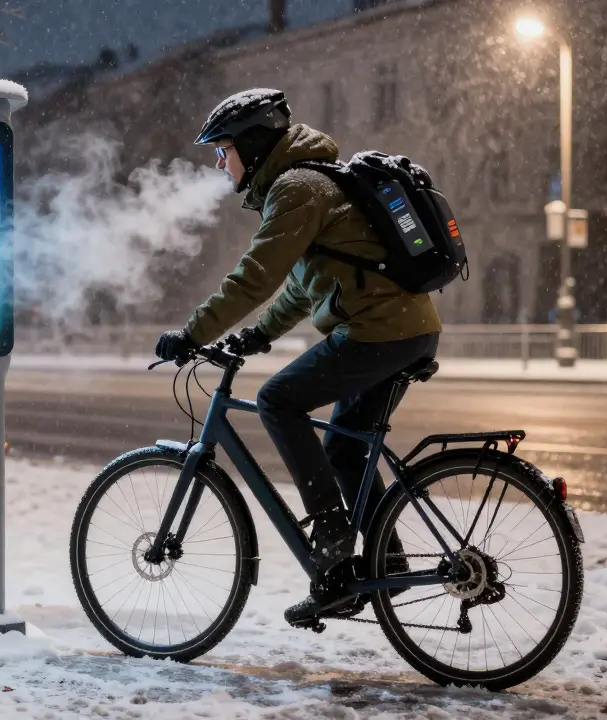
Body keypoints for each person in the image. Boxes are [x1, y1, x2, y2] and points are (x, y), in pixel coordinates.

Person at [152, 89, 442, 623]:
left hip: (376, 332)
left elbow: (255, 276)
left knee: (278, 399)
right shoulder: (313, 185)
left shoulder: (298, 187)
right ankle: (379, 563)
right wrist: (255, 336)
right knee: (345, 452)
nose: (220, 163)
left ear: (252, 144)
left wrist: (193, 333)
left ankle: (332, 541)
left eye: (223, 150)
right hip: (404, 330)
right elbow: (302, 288)